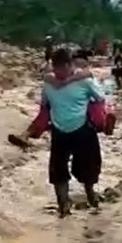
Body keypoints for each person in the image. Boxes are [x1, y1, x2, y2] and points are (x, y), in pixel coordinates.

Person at [42, 48, 105, 217]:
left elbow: (100, 98)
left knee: (89, 167)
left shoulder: (85, 81)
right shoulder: (48, 83)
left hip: (82, 128)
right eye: (55, 68)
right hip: (59, 130)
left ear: (71, 65)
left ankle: (91, 195)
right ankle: (63, 206)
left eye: (62, 68)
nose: (58, 72)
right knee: (57, 170)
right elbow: (44, 103)